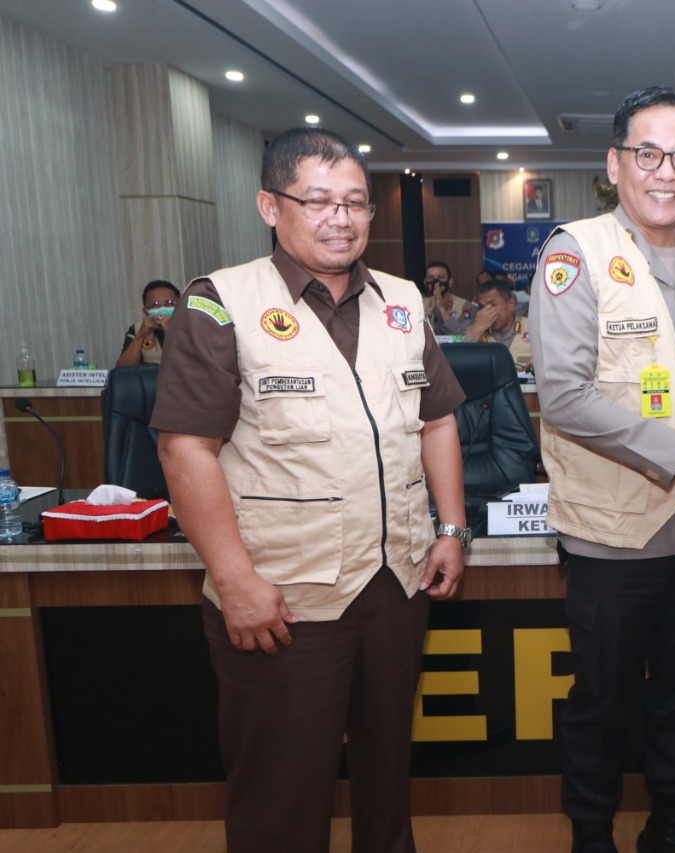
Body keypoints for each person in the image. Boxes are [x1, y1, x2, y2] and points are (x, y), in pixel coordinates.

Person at [151, 127, 469, 853]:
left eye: (355, 202)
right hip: (284, 599)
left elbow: (437, 419)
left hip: (395, 586)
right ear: (271, 205)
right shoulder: (221, 302)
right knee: (282, 799)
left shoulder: (401, 300)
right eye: (318, 201)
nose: (341, 218)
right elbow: (184, 449)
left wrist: (451, 528)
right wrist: (236, 582)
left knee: (387, 786)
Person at [529, 86, 675, 853]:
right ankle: (592, 834)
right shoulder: (575, 252)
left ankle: (671, 825)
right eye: (648, 153)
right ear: (614, 163)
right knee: (603, 701)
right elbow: (564, 396)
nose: (666, 171)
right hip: (615, 534)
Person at [465, 278, 532, 372]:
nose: (487, 312)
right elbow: (460, 362)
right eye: (482, 307)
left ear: (511, 303)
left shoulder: (533, 327)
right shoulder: (476, 330)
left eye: (492, 305)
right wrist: (477, 328)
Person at [116, 279, 181, 366]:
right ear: (145, 311)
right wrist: (141, 335)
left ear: (180, 305)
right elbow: (123, 369)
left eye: (169, 303)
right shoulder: (136, 330)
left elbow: (192, 363)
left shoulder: (193, 326)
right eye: (155, 304)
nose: (162, 308)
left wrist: (171, 332)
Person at [421, 260, 478, 336]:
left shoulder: (466, 306)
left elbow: (464, 335)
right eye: (431, 278)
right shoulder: (419, 305)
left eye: (440, 277)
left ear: (450, 282)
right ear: (425, 282)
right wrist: (428, 314)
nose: (436, 282)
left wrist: (442, 309)